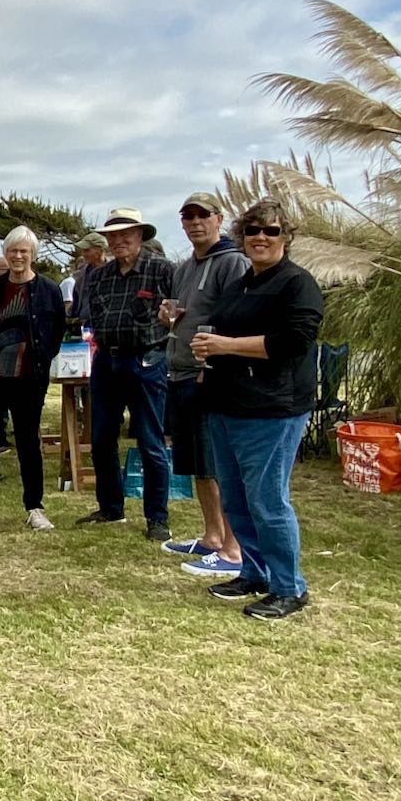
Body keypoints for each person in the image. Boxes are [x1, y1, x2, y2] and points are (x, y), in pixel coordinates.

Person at [190, 200, 324, 620]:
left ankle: (289, 587)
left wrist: (226, 345)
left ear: (286, 237)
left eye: (271, 231)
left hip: (273, 410)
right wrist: (206, 350)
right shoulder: (242, 283)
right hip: (226, 405)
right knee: (236, 497)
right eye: (252, 231)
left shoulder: (297, 284)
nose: (261, 238)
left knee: (268, 500)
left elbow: (293, 342)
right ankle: (254, 571)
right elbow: (222, 332)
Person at [161, 192, 250, 578]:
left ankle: (233, 550)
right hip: (180, 371)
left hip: (211, 376)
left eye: (202, 215)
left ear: (218, 219)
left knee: (217, 465)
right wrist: (169, 317)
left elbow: (239, 318)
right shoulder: (184, 268)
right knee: (197, 463)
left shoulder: (232, 263)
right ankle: (212, 536)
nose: (195, 222)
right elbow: (180, 316)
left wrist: (211, 363)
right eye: (188, 216)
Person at [75, 207, 175, 541]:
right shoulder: (99, 275)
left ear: (140, 236)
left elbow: (175, 316)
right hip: (107, 360)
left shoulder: (162, 270)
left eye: (125, 235)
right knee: (102, 438)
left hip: (146, 360)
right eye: (113, 236)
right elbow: (95, 316)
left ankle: (157, 518)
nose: (119, 241)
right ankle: (111, 508)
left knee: (150, 441)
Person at [0, 229, 65, 532]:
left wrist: (42, 361)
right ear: (5, 253)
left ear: (33, 254)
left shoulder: (49, 290)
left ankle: (34, 507)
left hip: (29, 379)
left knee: (28, 443)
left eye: (24, 251)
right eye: (13, 251)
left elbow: (57, 332)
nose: (18, 256)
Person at [64, 232, 108, 318]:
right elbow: (77, 303)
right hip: (85, 326)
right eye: (83, 251)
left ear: (100, 250)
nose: (83, 254)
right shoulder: (81, 276)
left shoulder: (115, 271)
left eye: (87, 250)